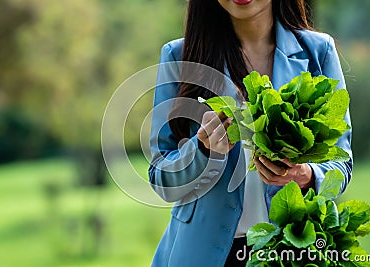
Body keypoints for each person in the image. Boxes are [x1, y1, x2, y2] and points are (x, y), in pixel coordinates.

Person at [148, 0, 352, 266]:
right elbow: (161, 178)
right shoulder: (179, 56)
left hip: (291, 253)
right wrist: (201, 150)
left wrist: (305, 175)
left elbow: (341, 165)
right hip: (201, 254)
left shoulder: (317, 51)